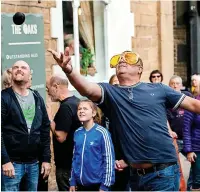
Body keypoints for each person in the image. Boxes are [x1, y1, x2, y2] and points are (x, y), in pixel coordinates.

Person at [48, 48, 200, 191]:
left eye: (129, 57)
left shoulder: (158, 89)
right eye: (119, 59)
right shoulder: (111, 93)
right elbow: (86, 88)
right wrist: (69, 70)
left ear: (140, 68)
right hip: (136, 176)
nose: (122, 60)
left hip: (163, 172)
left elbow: (193, 105)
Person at [1, 60, 51, 191]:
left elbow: (45, 129)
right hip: (11, 165)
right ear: (11, 73)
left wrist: (46, 159)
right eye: (16, 67)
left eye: (23, 67)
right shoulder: (4, 98)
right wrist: (4, 160)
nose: (19, 69)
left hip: (33, 164)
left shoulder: (37, 97)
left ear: (29, 75)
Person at [69, 99, 115, 192]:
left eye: (85, 108)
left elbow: (109, 160)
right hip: (80, 186)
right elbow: (75, 158)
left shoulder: (102, 133)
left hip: (97, 186)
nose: (81, 111)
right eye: (79, 109)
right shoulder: (77, 133)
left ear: (93, 113)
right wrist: (72, 181)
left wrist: (105, 186)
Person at [46, 75, 81, 191]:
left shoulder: (66, 107)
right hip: (75, 163)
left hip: (66, 166)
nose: (48, 93)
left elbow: (60, 137)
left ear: (56, 87)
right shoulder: (76, 101)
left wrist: (50, 118)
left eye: (48, 89)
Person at [167, 75, 193, 191]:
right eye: (172, 83)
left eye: (177, 83)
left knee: (195, 164)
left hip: (189, 138)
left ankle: (191, 186)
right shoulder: (166, 100)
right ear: (169, 85)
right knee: (176, 167)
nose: (175, 85)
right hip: (175, 139)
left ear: (181, 85)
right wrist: (170, 131)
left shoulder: (187, 97)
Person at [183, 87, 200, 191]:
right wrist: (189, 150)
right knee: (197, 180)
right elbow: (186, 128)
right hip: (197, 148)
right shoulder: (193, 102)